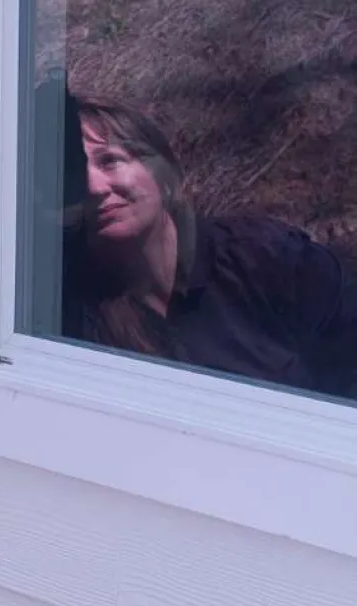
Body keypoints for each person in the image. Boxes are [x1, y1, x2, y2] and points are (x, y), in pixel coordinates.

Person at [57, 92, 357, 399]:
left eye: (111, 161)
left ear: (165, 176)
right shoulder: (64, 306)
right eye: (75, 174)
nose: (94, 187)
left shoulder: (262, 258)